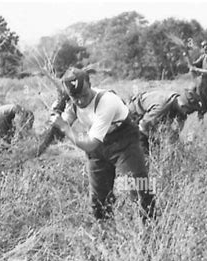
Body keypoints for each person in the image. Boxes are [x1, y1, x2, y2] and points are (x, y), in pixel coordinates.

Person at [48, 67, 156, 222]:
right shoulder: (74, 103)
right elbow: (61, 129)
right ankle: (105, 233)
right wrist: (55, 116)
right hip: (99, 145)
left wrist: (65, 127)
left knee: (139, 187)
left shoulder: (107, 101)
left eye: (84, 95)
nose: (81, 101)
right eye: (75, 97)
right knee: (99, 198)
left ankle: (151, 228)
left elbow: (90, 144)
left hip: (123, 141)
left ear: (90, 84)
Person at [127, 88, 201, 155]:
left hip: (151, 119)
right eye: (189, 111)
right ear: (183, 106)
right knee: (144, 149)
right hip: (135, 115)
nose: (188, 113)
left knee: (158, 147)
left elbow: (175, 132)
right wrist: (155, 141)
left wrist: (178, 148)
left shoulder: (179, 105)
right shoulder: (162, 106)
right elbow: (143, 126)